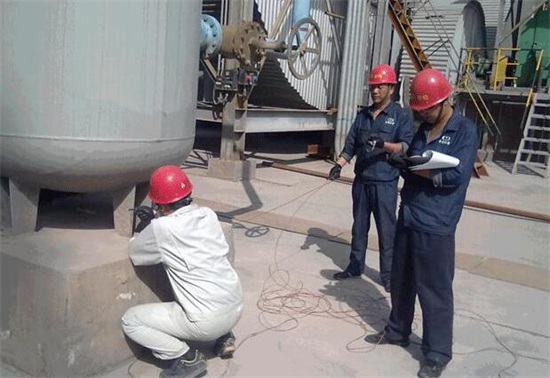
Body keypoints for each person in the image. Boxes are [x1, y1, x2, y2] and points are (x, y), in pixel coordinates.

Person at [364, 68, 479, 378]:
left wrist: (416, 169)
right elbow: (412, 160)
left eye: (426, 109)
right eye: (418, 110)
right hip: (410, 215)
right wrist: (401, 163)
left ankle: (437, 353)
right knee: (401, 281)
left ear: (443, 102)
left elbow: (455, 177)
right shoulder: (421, 130)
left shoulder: (465, 131)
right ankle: (398, 330)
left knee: (435, 290)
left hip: (436, 223)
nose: (423, 115)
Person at [122, 165, 244, 378]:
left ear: (159, 204)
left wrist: (147, 225)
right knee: (206, 281)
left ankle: (186, 358)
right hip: (235, 307)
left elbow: (137, 253)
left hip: (207, 321)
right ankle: (224, 338)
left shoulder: (164, 228)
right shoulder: (208, 215)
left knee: (131, 320)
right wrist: (157, 219)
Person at [328, 63, 414, 293]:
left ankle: (388, 276)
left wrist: (383, 144)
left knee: (387, 232)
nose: (375, 91)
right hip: (362, 182)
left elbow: (406, 147)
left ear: (391, 88)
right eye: (373, 87)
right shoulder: (363, 116)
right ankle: (355, 266)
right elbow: (350, 146)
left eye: (380, 86)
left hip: (385, 183)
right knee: (359, 228)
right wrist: (339, 165)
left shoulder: (400, 116)